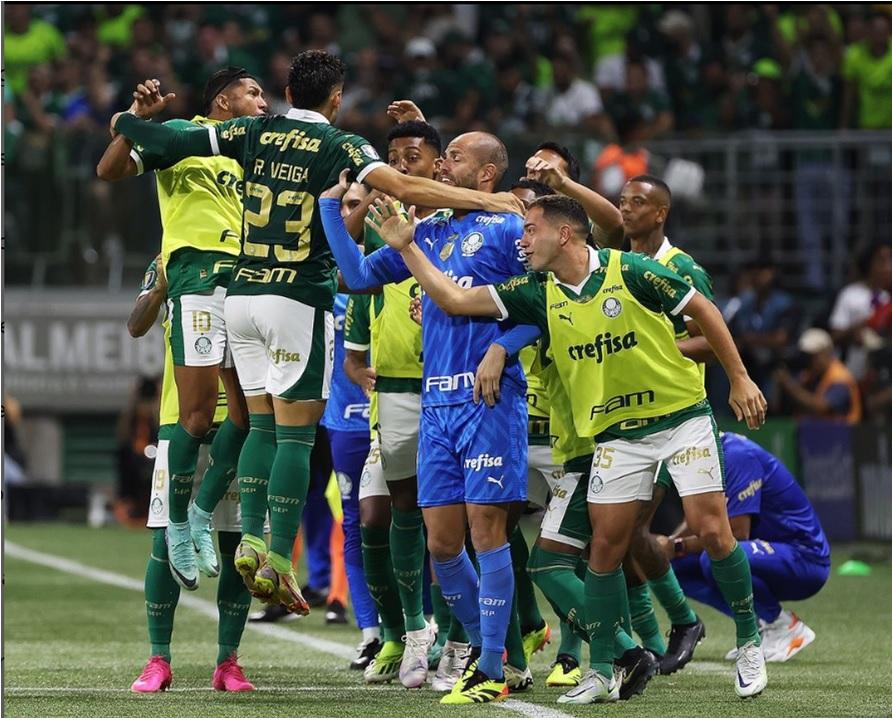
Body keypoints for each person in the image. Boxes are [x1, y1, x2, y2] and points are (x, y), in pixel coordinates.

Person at [110, 50, 523, 615]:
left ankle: (249, 533)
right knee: (295, 436)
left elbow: (157, 141)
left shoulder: (251, 129)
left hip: (242, 297)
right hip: (295, 298)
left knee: (256, 423)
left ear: (287, 89)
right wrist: (485, 197)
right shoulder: (341, 144)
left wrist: (127, 121)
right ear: (335, 98)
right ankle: (277, 556)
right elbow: (406, 189)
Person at [367, 193, 769, 702]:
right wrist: (408, 248)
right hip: (616, 433)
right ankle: (603, 670)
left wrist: (738, 378)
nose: (522, 239)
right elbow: (454, 299)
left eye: (530, 229)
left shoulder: (635, 271)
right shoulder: (536, 290)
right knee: (603, 548)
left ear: (564, 235)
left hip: (680, 417)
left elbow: (705, 310)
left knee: (712, 528)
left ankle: (750, 640)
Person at [320, 131, 541, 704]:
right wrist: (328, 206)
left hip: (487, 402)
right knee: (443, 546)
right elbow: (355, 277)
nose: (442, 165)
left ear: (488, 174)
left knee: (487, 532)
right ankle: (479, 649)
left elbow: (545, 301)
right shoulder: (430, 230)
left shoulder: (507, 227)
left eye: (456, 159)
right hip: (434, 405)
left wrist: (503, 347)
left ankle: (494, 667)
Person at [97, 67, 263, 591]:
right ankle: (176, 526)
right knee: (195, 415)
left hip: (244, 284)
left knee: (246, 412)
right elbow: (111, 169)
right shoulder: (180, 137)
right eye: (253, 92)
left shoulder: (250, 152)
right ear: (222, 99)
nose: (262, 101)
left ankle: (197, 513)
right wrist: (134, 123)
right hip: (196, 278)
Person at [342, 120, 464, 689]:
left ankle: (468, 640)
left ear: (439, 168)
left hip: (453, 390)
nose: (397, 167)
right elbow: (359, 294)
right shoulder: (381, 232)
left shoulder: (457, 225)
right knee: (380, 515)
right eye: (391, 157)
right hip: (392, 392)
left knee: (459, 526)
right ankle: (407, 631)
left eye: (410, 158)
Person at [128, 255, 255, 693]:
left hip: (238, 422)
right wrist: (160, 287)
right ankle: (158, 659)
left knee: (238, 543)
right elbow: (136, 324)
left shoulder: (249, 258)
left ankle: (228, 663)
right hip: (177, 421)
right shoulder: (173, 259)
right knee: (165, 538)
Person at [662, 432, 830, 663]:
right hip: (766, 553)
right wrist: (668, 547)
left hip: (805, 558)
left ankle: (783, 625)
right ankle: (757, 625)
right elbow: (698, 519)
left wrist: (676, 545)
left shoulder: (737, 456)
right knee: (675, 566)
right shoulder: (703, 456)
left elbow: (737, 534)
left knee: (717, 557)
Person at [775, 328, 862, 424]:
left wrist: (788, 384)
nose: (810, 360)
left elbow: (822, 407)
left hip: (841, 436)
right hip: (811, 433)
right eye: (807, 356)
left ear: (827, 352)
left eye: (814, 355)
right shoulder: (808, 375)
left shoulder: (840, 377)